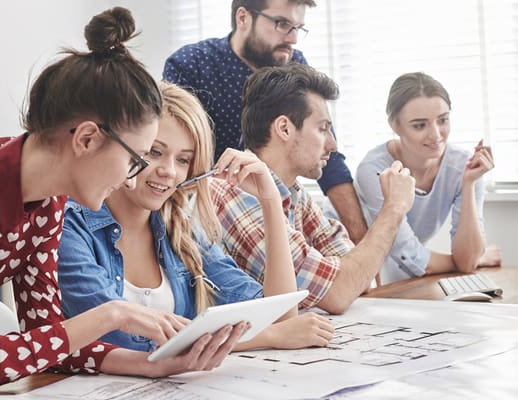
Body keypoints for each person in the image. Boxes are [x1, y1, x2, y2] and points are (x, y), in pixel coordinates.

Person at [0, 8, 247, 399]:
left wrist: (154, 365)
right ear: (86, 139)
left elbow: (48, 340)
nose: (132, 177)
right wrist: (113, 314)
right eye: (137, 159)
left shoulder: (49, 204)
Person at [58, 81, 333, 353]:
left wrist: (270, 200)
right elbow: (119, 339)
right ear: (130, 149)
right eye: (155, 153)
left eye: (183, 160)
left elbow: (278, 316)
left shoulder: (181, 230)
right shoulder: (70, 225)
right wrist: (268, 336)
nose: (169, 171)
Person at [209, 63, 416, 315]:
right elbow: (339, 292)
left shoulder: (294, 194)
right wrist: (393, 209)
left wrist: (344, 276)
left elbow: (361, 279)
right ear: (284, 128)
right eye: (322, 128)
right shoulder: (235, 191)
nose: (334, 145)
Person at [163, 0, 368, 244]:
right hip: (205, 221)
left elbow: (328, 158)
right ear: (243, 18)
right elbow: (174, 158)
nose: (292, 39)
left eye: (298, 28)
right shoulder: (192, 64)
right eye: (282, 24)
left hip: (273, 206)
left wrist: (360, 239)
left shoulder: (294, 65)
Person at [356, 72, 501, 284]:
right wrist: (475, 258)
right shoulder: (375, 169)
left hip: (407, 277)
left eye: (443, 120)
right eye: (419, 125)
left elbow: (467, 262)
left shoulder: (464, 166)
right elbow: (406, 252)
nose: (435, 135)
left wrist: (469, 184)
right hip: (360, 268)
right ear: (394, 125)